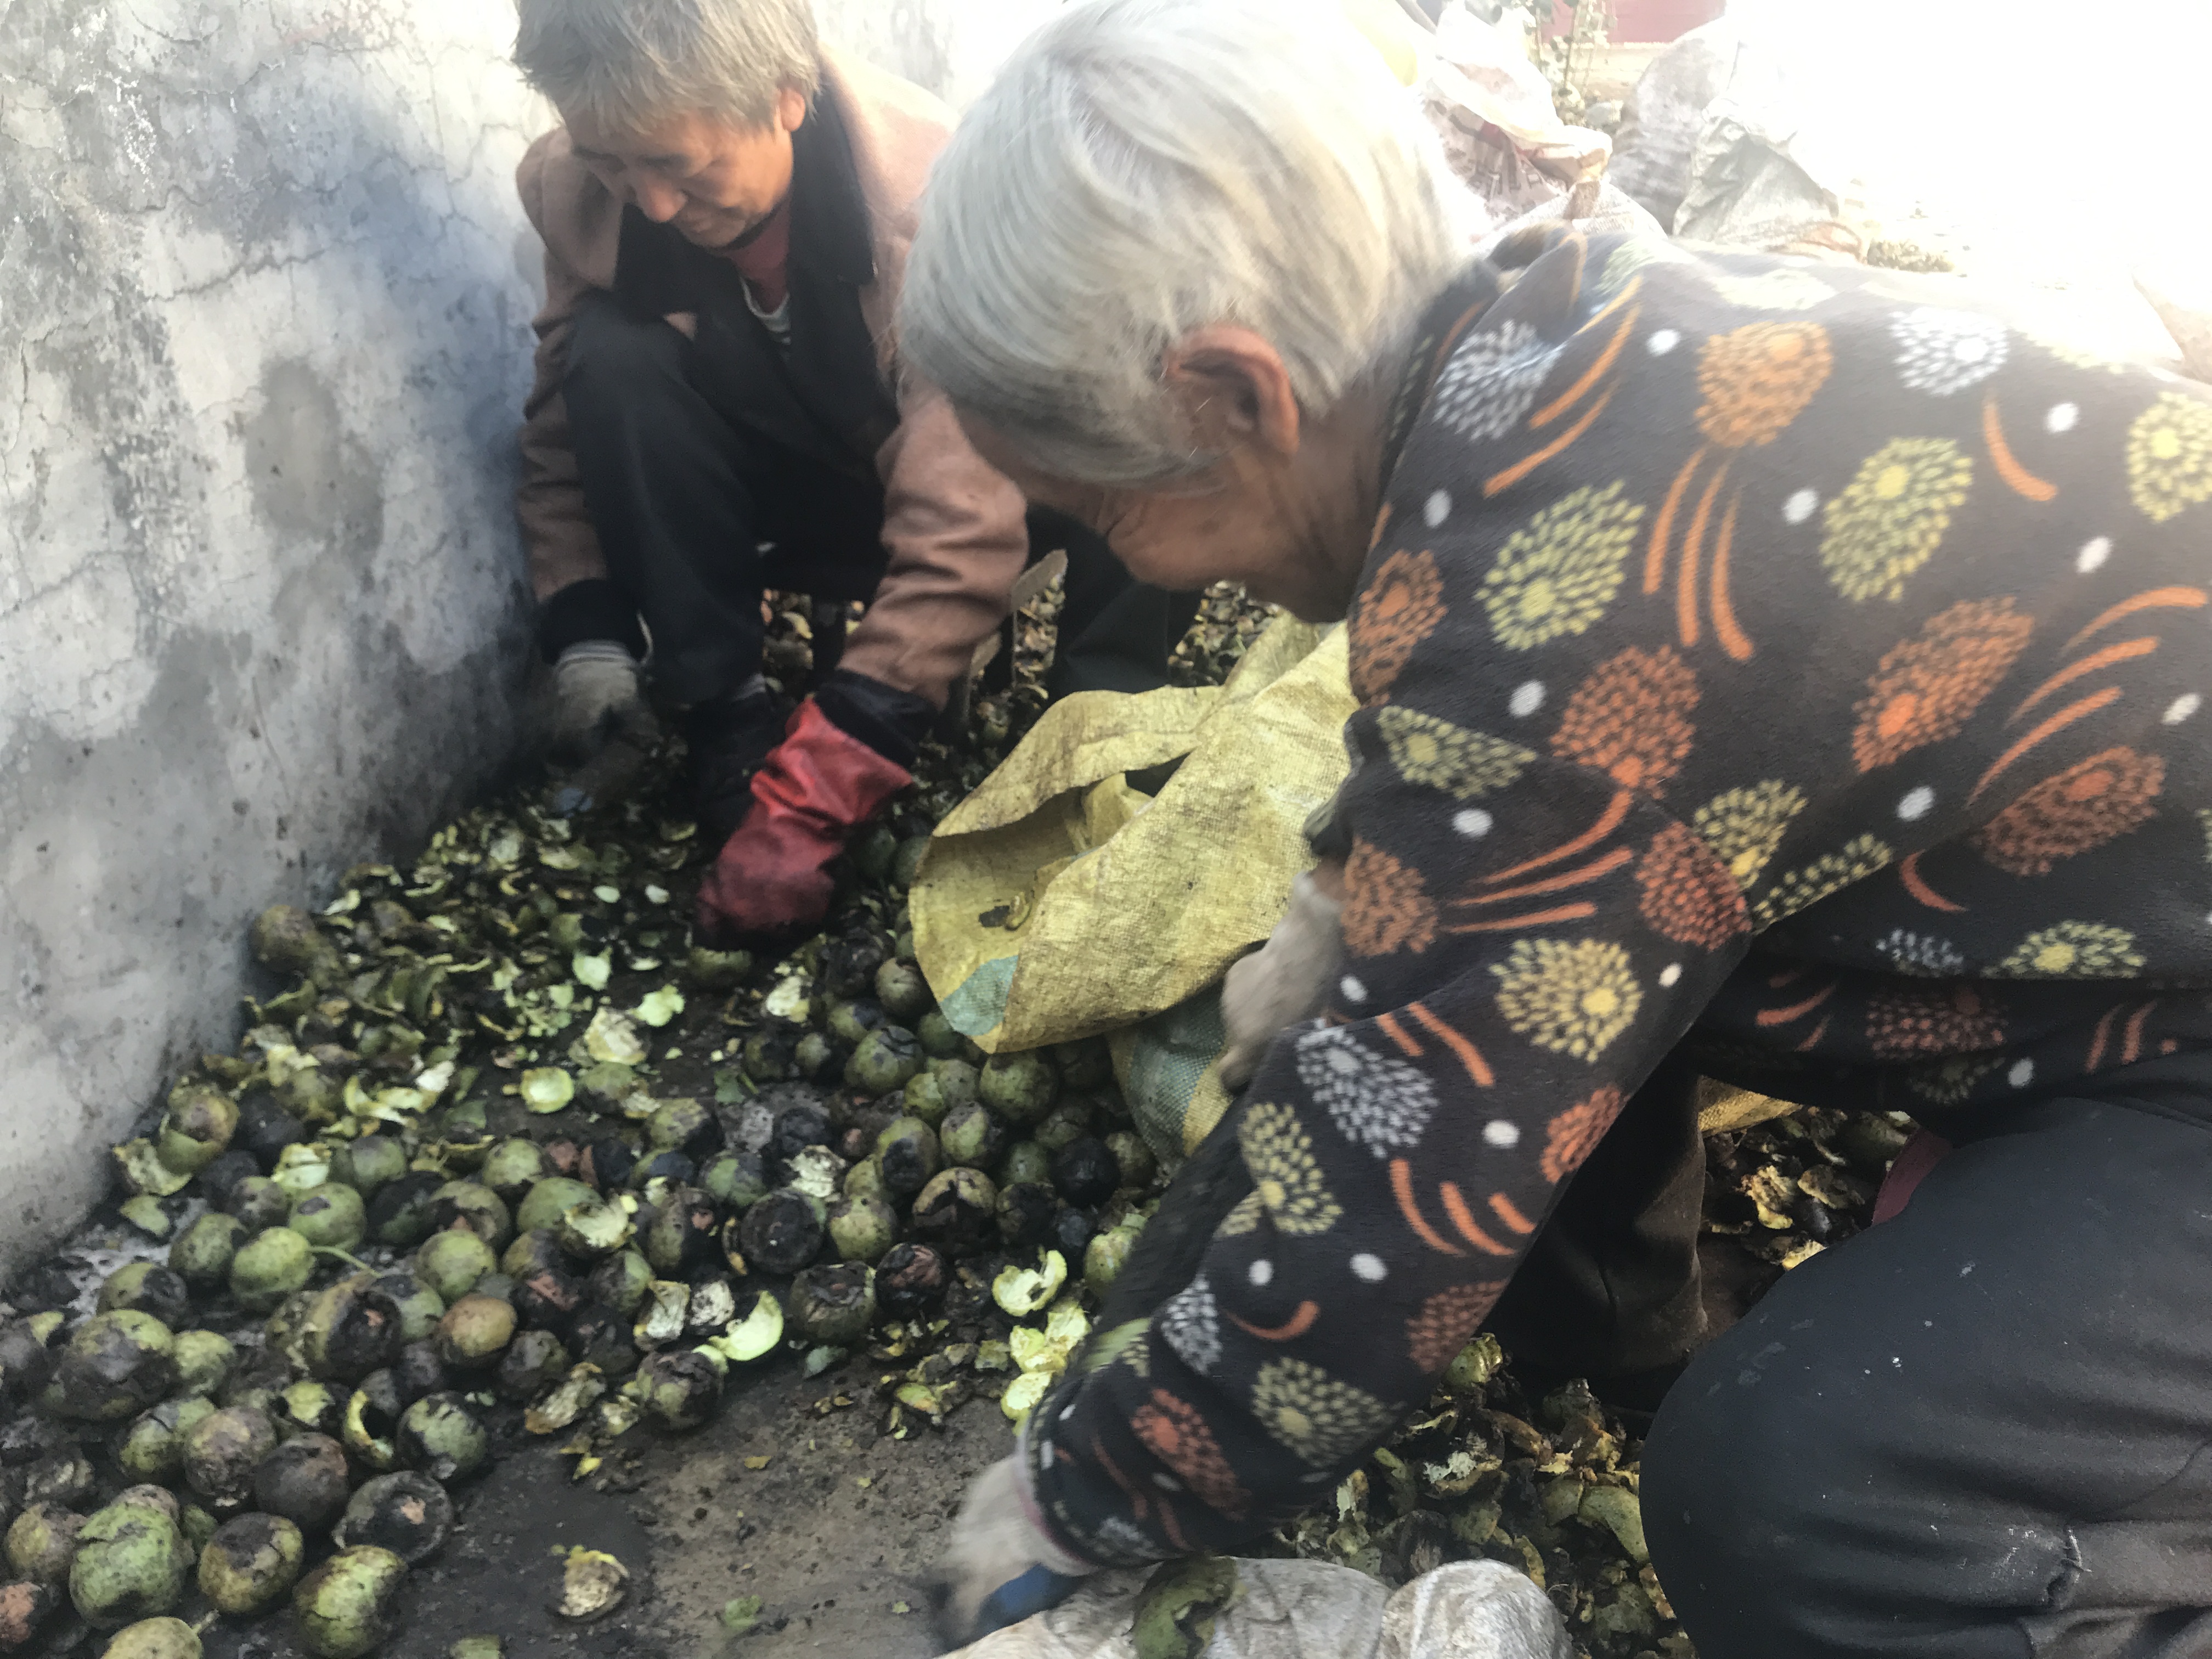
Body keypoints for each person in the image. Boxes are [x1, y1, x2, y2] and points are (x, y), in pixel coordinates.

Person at [902, 2, 2212, 1654]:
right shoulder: (1558, 326)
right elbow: (1492, 784)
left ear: (1234, 393)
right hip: (2111, 936)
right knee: (1528, 979)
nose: (1127, 562)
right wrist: (1343, 893)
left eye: (1103, 514)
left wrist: (1085, 1493)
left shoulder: (1578, 629)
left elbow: (1392, 1198)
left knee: (1803, 1496)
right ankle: (1626, 1342)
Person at [508, 0, 1199, 941]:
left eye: (680, 165)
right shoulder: (581, 195)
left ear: (785, 99)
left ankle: (1100, 737)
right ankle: (724, 717)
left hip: (1003, 473)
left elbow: (961, 527)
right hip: (809, 474)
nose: (654, 204)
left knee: (1151, 424)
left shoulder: (935, 207)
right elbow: (564, 421)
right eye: (612, 163)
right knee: (614, 351)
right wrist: (586, 626)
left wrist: (819, 794)